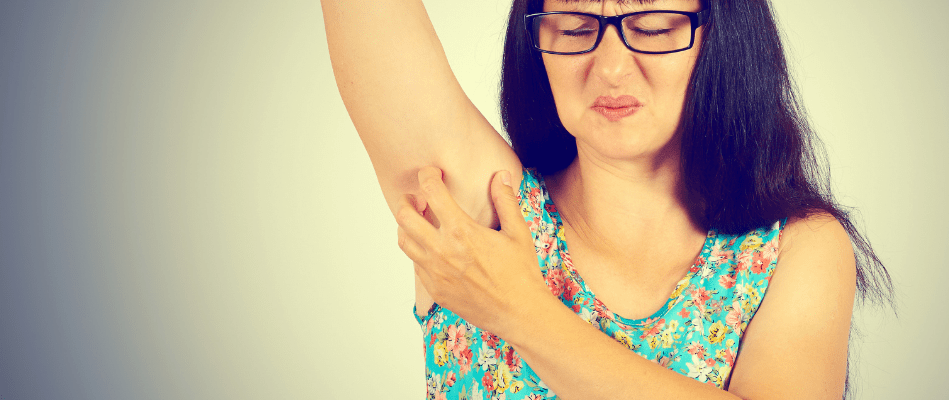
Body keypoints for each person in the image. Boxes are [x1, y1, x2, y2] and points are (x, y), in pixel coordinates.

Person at [322, 0, 893, 398]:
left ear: (719, 35)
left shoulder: (794, 249)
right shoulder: (488, 212)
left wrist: (522, 312)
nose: (612, 67)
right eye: (573, 27)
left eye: (652, 26)